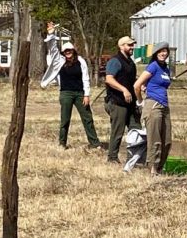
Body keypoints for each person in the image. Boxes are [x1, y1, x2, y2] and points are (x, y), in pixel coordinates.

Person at [40, 21, 101, 150]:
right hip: (66, 93)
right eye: (65, 51)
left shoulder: (81, 61)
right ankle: (62, 143)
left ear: (73, 51)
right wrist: (51, 33)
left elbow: (85, 78)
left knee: (87, 118)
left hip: (80, 93)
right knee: (65, 120)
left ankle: (94, 143)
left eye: (70, 50)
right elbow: (52, 48)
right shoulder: (59, 61)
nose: (68, 52)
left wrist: (87, 95)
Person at [134, 42, 172, 176]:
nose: (163, 53)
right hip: (153, 105)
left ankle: (160, 168)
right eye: (160, 51)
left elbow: (150, 84)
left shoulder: (165, 69)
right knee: (155, 139)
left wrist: (146, 85)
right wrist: (140, 102)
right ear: (156, 53)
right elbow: (137, 85)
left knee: (166, 141)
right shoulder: (153, 66)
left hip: (164, 106)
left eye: (165, 51)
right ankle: (152, 170)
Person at [104, 36, 142, 164]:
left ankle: (135, 158)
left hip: (131, 103)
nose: (132, 48)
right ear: (121, 46)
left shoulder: (130, 62)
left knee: (136, 130)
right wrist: (123, 90)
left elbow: (131, 80)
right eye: (129, 45)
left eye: (132, 45)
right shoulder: (115, 61)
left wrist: (141, 84)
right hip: (117, 102)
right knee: (118, 131)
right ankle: (112, 158)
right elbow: (109, 79)